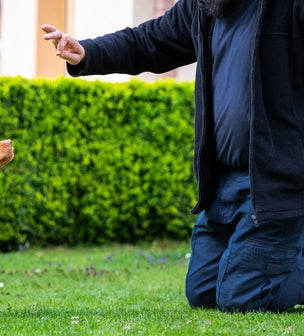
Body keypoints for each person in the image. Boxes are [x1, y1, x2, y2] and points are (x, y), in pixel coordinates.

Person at [42, 0, 304, 312]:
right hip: (223, 184)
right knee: (203, 292)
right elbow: (148, 41)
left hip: (276, 186)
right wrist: (88, 52)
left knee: (242, 298)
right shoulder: (205, 6)